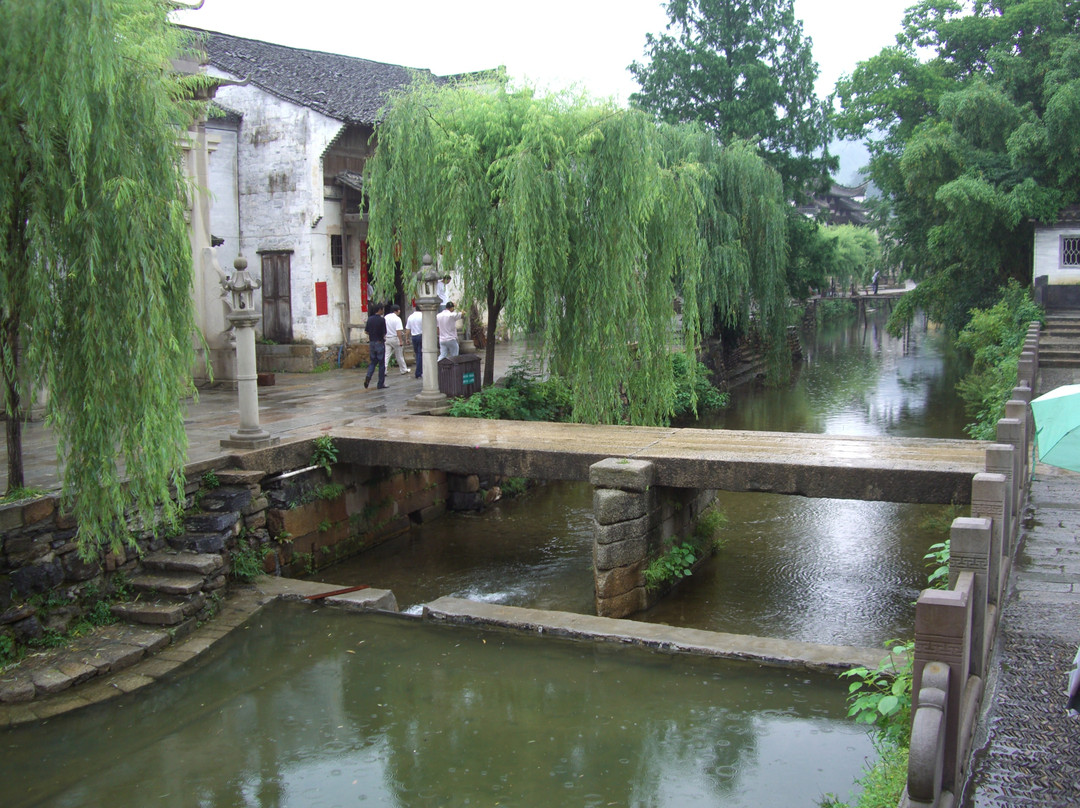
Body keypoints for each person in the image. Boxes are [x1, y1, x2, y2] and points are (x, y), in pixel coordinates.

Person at [363, 302, 387, 389]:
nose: (383, 311)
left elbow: (366, 331)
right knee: (381, 364)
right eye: (382, 309)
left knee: (373, 362)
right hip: (379, 342)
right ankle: (380, 383)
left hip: (372, 342)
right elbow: (384, 333)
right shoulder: (382, 320)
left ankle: (368, 376)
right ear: (380, 310)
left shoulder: (370, 319)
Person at [383, 304, 409, 376]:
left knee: (386, 355)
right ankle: (403, 369)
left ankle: (384, 370)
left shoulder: (386, 317)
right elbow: (398, 331)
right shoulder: (397, 319)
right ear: (397, 311)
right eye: (399, 310)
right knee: (399, 355)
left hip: (387, 338)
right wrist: (400, 340)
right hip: (395, 338)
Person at [406, 307, 423, 378]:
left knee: (417, 354)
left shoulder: (410, 316)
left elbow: (408, 329)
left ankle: (419, 371)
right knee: (420, 354)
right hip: (421, 335)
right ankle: (418, 372)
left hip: (414, 337)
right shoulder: (423, 315)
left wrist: (407, 338)